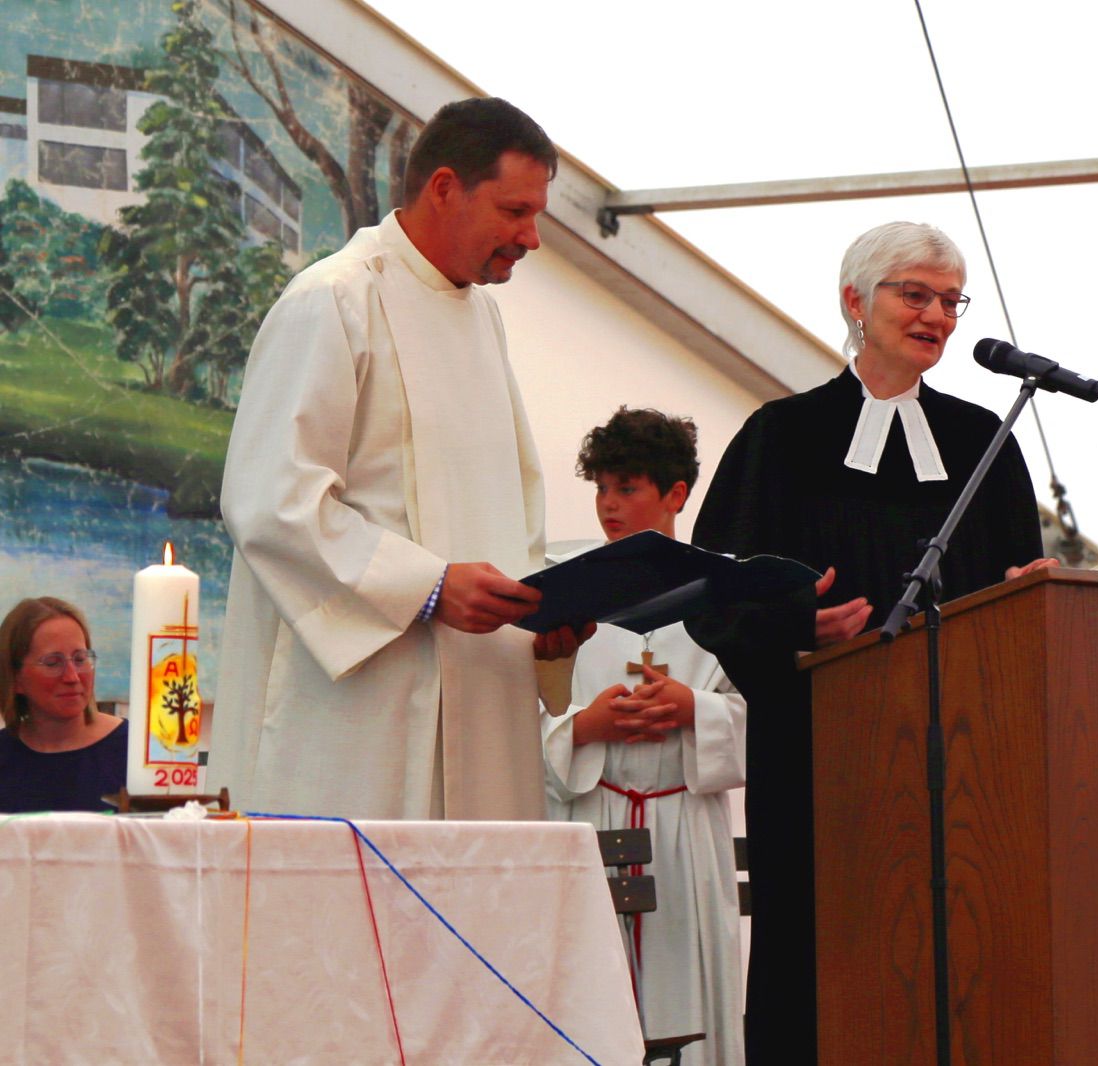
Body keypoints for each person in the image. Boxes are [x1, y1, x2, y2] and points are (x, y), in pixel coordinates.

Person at [688, 221, 1050, 1061]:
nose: (936, 316)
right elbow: (715, 588)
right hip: (822, 753)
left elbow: (1017, 583)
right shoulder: (781, 437)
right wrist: (792, 626)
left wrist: (1023, 598)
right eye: (913, 294)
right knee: (820, 958)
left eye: (949, 301)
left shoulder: (982, 441)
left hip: (963, 762)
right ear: (855, 300)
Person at [211, 98, 587, 821]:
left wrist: (544, 617)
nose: (531, 238)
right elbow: (271, 500)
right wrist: (430, 586)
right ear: (444, 187)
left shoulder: (482, 317)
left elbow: (513, 514)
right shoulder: (333, 299)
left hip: (484, 704)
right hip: (362, 714)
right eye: (514, 211)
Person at [542, 407, 745, 1066]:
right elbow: (517, 715)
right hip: (593, 817)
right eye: (601, 487)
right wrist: (585, 726)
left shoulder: (729, 587)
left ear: (676, 495)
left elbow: (769, 717)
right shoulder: (560, 585)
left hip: (685, 823)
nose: (608, 505)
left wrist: (696, 709)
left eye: (627, 488)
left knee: (689, 1013)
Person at [0, 597, 126, 812]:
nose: (72, 677)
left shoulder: (134, 752)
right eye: (52, 663)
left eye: (80, 659)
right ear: (16, 678)